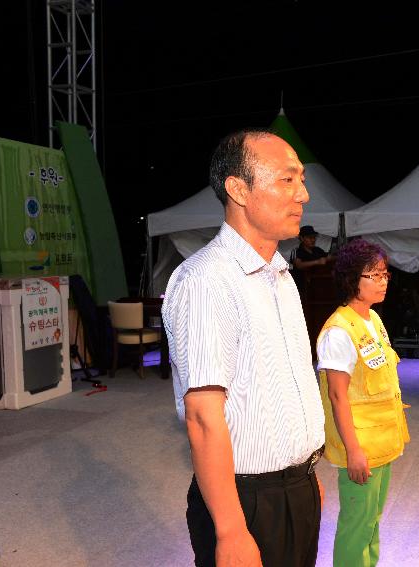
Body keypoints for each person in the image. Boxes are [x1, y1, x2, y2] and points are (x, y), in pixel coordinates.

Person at [162, 130, 326, 567]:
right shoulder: (206, 281)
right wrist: (232, 530)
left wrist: (306, 473)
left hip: (297, 490)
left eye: (302, 180)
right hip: (247, 500)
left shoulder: (281, 276)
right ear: (238, 189)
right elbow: (202, 415)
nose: (303, 195)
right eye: (287, 180)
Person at [316, 238, 410, 567]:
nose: (384, 281)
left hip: (382, 441)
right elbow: (337, 396)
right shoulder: (339, 331)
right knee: (357, 527)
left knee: (372, 522)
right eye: (375, 275)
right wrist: (353, 450)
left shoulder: (374, 320)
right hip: (361, 447)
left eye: (386, 274)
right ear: (352, 278)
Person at [291, 225, 330, 294]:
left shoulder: (318, 250)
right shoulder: (296, 251)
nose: (313, 240)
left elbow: (329, 257)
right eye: (310, 238)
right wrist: (317, 262)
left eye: (314, 237)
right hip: (302, 288)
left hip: (318, 287)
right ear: (301, 238)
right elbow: (299, 265)